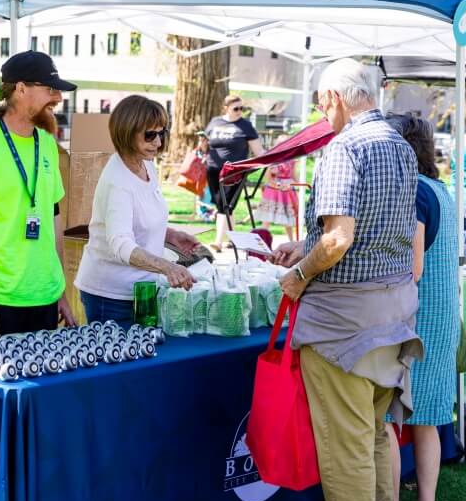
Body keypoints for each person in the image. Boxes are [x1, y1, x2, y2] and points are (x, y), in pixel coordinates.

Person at [273, 58, 421, 501]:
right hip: (395, 311)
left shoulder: (344, 147)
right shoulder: (401, 144)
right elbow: (375, 231)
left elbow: (338, 240)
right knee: (375, 434)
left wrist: (297, 274)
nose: (322, 113)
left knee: (347, 447)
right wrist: (308, 244)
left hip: (345, 323)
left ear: (335, 98)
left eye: (320, 103)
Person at [0, 51, 78, 336]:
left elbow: (53, 219)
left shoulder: (47, 144)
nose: (58, 98)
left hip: (45, 300)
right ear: (20, 89)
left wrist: (60, 291)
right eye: (50, 89)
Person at [385, 114, 459, 501]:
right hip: (442, 318)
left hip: (416, 322)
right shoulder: (441, 190)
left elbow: (411, 268)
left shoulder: (412, 191)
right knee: (427, 420)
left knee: (391, 420)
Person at [74, 95, 199, 327]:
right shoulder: (118, 181)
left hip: (142, 288)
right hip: (111, 296)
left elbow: (138, 219)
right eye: (150, 135)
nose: (158, 142)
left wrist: (170, 235)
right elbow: (120, 243)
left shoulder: (147, 165)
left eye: (162, 133)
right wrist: (167, 266)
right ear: (127, 132)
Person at [205, 95, 263, 251]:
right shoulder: (215, 122)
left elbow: (258, 151)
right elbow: (206, 143)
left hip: (234, 172)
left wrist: (267, 164)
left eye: (241, 108)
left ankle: (217, 242)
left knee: (226, 206)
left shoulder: (246, 126)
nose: (239, 112)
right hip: (213, 170)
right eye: (235, 108)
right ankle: (233, 238)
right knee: (222, 205)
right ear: (226, 108)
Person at [257, 135, 298, 240]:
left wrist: (296, 184)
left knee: (288, 219)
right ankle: (261, 240)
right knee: (267, 218)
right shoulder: (273, 159)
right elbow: (268, 178)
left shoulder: (292, 159)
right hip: (274, 190)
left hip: (287, 190)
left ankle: (291, 240)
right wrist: (276, 183)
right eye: (281, 143)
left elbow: (294, 176)